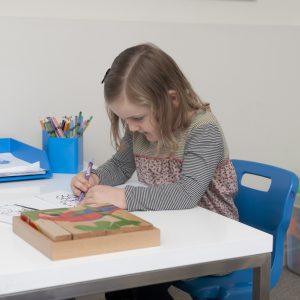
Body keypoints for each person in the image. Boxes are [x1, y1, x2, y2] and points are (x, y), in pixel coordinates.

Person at [71, 43, 239, 300]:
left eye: (137, 118)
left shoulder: (203, 130)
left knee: (136, 276)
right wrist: (94, 178)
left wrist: (122, 197)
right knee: (120, 276)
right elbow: (120, 165)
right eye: (124, 119)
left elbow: (185, 195)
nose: (132, 127)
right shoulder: (139, 129)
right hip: (170, 226)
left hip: (212, 239)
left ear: (171, 100)